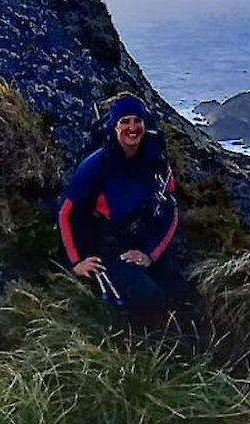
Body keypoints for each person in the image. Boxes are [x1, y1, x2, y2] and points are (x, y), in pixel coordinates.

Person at [57, 93, 186, 322]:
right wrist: (77, 262)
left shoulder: (156, 160)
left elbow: (171, 212)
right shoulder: (96, 165)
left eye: (137, 121)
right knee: (148, 299)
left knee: (184, 294)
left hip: (141, 241)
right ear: (115, 127)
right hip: (107, 248)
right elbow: (67, 213)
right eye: (124, 122)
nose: (132, 127)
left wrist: (150, 254)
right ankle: (149, 349)